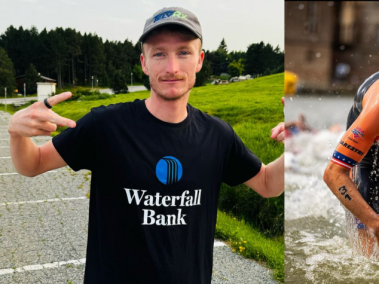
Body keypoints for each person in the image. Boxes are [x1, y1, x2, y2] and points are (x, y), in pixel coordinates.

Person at [8, 7, 284, 284]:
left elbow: (268, 184)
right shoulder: (105, 126)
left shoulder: (217, 135)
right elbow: (33, 164)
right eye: (159, 53)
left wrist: (300, 146)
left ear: (199, 60)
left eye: (184, 52)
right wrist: (17, 134)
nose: (172, 67)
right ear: (144, 62)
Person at [324, 72, 379, 258]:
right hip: (368, 141)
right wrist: (374, 222)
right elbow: (333, 174)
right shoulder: (375, 115)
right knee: (371, 224)